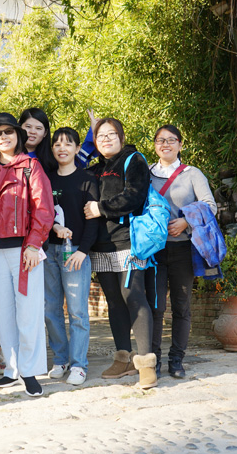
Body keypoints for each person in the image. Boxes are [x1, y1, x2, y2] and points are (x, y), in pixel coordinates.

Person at [0, 112, 54, 397]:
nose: (3, 137)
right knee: (4, 312)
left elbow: (44, 208)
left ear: (17, 136)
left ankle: (30, 371)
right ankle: (11, 370)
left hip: (25, 250)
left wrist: (34, 244)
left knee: (29, 312)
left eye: (8, 132)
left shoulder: (31, 167)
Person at [84, 117, 158, 389]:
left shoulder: (133, 160)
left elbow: (135, 196)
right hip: (101, 245)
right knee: (114, 302)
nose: (105, 139)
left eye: (111, 134)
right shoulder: (94, 169)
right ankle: (123, 358)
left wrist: (100, 208)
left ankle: (146, 365)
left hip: (128, 241)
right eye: (100, 135)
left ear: (121, 137)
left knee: (134, 297)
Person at [147, 124, 216, 379]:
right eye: (160, 140)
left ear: (180, 145)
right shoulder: (146, 173)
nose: (165, 144)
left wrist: (186, 221)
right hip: (153, 251)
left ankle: (176, 360)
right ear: (155, 145)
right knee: (155, 308)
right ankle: (153, 360)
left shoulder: (192, 174)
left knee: (181, 307)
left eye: (171, 140)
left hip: (184, 250)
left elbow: (210, 205)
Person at [44, 127, 98, 386]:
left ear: (78, 148)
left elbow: (93, 221)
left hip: (75, 252)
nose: (62, 148)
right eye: (57, 144)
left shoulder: (87, 179)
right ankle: (61, 359)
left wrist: (82, 251)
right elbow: (41, 214)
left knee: (77, 312)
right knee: (50, 310)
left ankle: (79, 365)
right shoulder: (46, 179)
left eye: (68, 143)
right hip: (49, 252)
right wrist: (54, 227)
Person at [20, 107, 57, 173]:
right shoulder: (7, 156)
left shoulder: (52, 163)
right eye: (28, 126)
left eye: (38, 128)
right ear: (20, 127)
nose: (32, 132)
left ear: (45, 133)